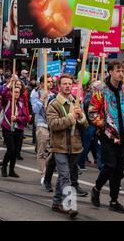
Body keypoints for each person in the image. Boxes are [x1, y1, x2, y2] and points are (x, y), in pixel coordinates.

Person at [89, 61, 124, 214]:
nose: (121, 73)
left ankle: (114, 201)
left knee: (120, 170)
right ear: (110, 72)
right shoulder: (100, 90)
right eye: (118, 70)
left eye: (122, 71)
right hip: (107, 136)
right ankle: (96, 188)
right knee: (110, 166)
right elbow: (92, 112)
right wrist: (104, 126)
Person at [46, 73, 87, 218]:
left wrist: (81, 116)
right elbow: (53, 124)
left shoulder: (76, 102)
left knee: (65, 176)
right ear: (59, 86)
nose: (68, 86)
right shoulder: (54, 104)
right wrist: (70, 118)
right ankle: (70, 205)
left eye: (70, 84)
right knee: (64, 176)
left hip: (74, 146)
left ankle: (57, 202)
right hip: (59, 146)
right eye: (64, 83)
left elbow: (85, 125)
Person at [0, 84, 30, 178]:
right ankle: (4, 167)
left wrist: (17, 118)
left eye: (18, 92)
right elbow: (3, 94)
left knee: (16, 151)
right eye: (15, 92)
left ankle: (11, 170)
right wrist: (10, 84)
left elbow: (26, 118)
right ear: (11, 92)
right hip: (8, 128)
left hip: (18, 129)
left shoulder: (21, 103)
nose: (17, 94)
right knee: (11, 149)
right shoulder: (7, 101)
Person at [30, 74, 54, 188]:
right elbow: (34, 109)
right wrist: (42, 99)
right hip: (41, 124)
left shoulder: (54, 94)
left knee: (53, 152)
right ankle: (43, 174)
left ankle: (48, 171)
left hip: (52, 126)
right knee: (42, 151)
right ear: (42, 83)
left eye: (51, 81)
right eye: (48, 81)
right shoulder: (36, 93)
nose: (50, 83)